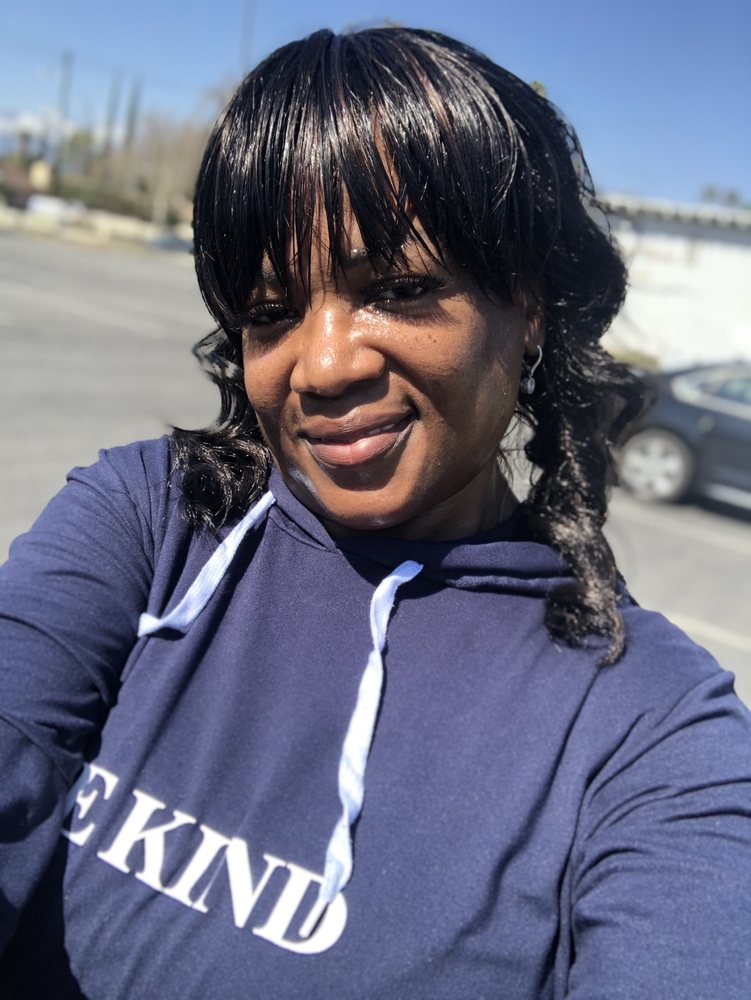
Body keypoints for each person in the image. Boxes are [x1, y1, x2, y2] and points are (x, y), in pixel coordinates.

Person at [0, 26, 749, 1000]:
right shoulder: (153, 520)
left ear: (525, 304)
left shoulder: (650, 726)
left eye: (397, 289)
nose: (321, 366)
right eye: (270, 311)